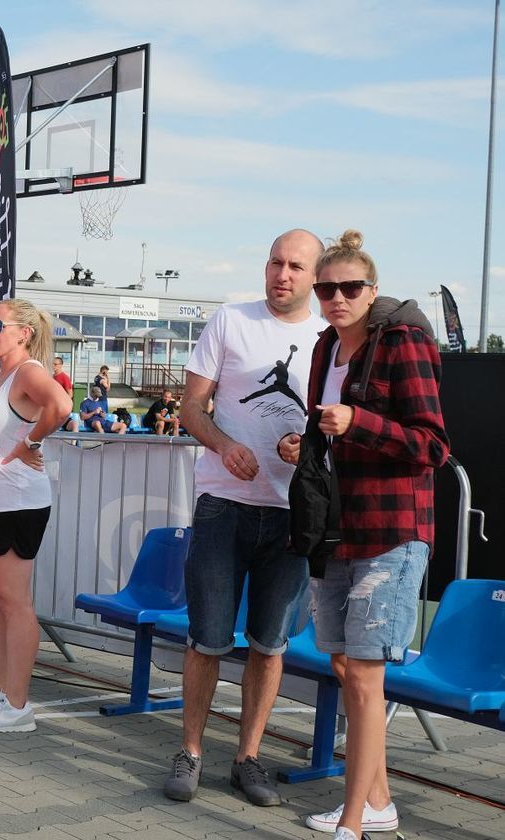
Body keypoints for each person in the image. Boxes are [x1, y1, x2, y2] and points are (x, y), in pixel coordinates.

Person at [279, 231, 448, 840]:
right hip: (335, 530)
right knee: (346, 667)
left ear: (371, 292)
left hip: (391, 531)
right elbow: (328, 430)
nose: (336, 298)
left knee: (367, 675)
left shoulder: (403, 343)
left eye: (350, 288)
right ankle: (378, 802)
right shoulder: (324, 347)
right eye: (327, 289)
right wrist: (306, 441)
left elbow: (431, 445)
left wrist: (359, 423)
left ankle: (354, 822)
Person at [163, 229, 324, 808]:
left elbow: (333, 429)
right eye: (276, 263)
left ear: (314, 276)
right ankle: (191, 752)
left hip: (292, 514)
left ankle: (248, 757)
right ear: (265, 267)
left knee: (269, 644)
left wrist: (304, 449)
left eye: (296, 266)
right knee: (206, 639)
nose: (283, 274)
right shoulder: (229, 321)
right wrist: (223, 444)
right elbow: (190, 409)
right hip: (223, 505)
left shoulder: (330, 336)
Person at [0, 298, 71, 733]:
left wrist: (33, 443)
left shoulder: (27, 371)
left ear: (23, 332)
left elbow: (60, 406)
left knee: (15, 603)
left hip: (17, 501)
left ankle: (18, 705)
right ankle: (1, 688)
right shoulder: (1, 376)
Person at [52, 357, 79, 432]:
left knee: (74, 424)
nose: (53, 366)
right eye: (52, 364)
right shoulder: (52, 377)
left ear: (61, 365)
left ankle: (74, 441)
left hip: (61, 409)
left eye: (55, 364)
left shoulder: (64, 377)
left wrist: (62, 404)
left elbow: (70, 394)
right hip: (52, 409)